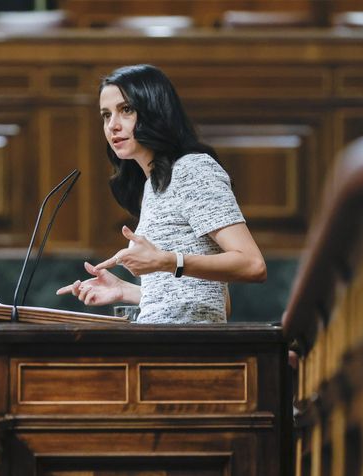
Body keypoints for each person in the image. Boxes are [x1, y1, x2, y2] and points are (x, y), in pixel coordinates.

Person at [56, 64, 266, 323]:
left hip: (187, 354)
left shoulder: (192, 169)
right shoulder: (152, 186)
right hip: (161, 347)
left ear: (154, 111)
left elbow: (253, 265)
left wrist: (166, 261)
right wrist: (125, 290)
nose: (112, 126)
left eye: (126, 110)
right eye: (106, 115)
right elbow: (216, 298)